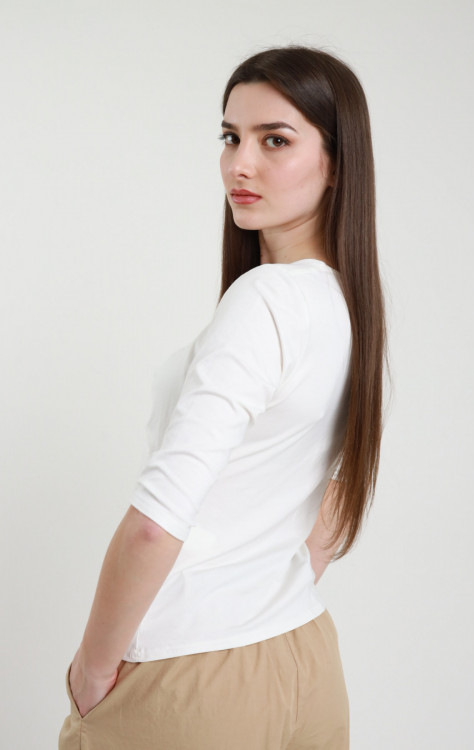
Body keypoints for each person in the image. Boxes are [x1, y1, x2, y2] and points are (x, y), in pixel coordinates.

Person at [58, 43, 388, 750]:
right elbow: (335, 490)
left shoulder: (265, 300)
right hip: (304, 653)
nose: (240, 164)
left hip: (194, 672)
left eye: (276, 140)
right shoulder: (348, 304)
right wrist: (268, 590)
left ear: (337, 163)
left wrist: (92, 669)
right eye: (231, 137)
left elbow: (156, 523)